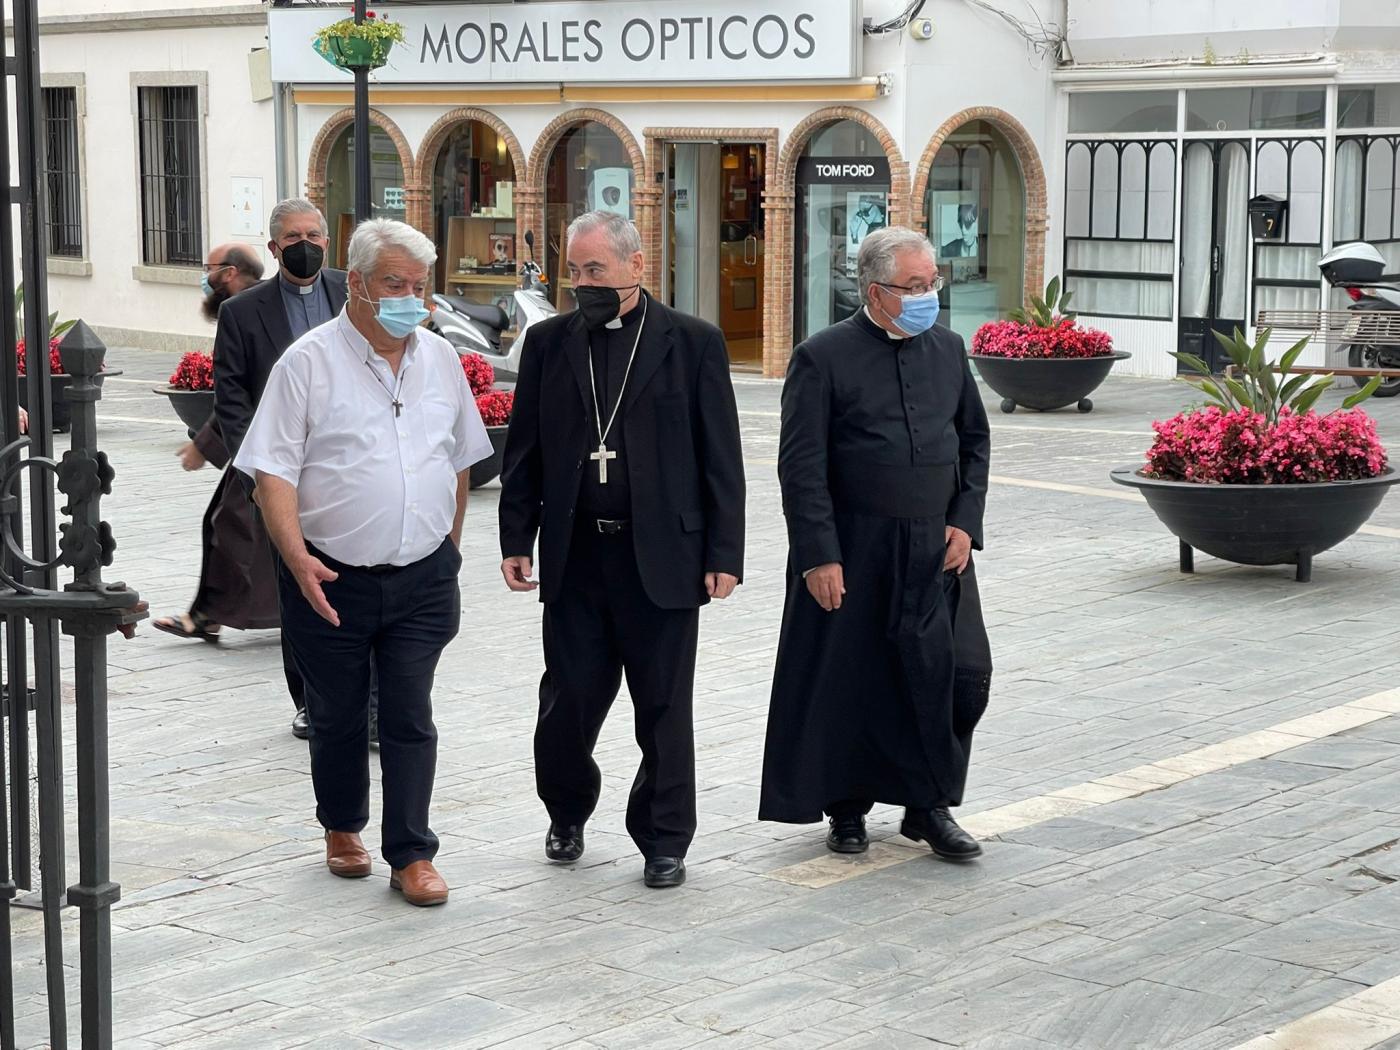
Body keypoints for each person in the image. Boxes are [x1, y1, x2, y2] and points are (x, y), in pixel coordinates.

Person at [235, 218, 492, 907]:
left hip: (422, 577)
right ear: (357, 284)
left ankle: (411, 853)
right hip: (330, 577)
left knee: (411, 713)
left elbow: (460, 459)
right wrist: (295, 559)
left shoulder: (439, 359)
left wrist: (449, 545)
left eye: (420, 286)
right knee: (339, 713)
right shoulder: (308, 363)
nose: (412, 297)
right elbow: (273, 473)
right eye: (395, 284)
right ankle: (342, 825)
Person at [499, 210, 745, 889]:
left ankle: (664, 839)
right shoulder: (550, 343)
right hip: (578, 558)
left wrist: (725, 551)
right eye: (574, 272)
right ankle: (567, 809)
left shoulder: (692, 343)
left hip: (665, 558)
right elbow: (526, 448)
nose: (582, 284)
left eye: (595, 270)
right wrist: (516, 536)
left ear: (637, 267)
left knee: (665, 708)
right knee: (568, 702)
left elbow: (721, 457)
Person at [759, 226, 993, 861]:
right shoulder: (823, 356)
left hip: (933, 546)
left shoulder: (947, 349)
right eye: (912, 287)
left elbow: (974, 442)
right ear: (874, 291)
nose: (927, 296)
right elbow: (801, 467)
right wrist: (818, 554)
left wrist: (964, 523)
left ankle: (929, 806)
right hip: (852, 547)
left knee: (944, 676)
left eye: (931, 284)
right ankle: (847, 808)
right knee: (851, 678)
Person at [214, 198, 349, 740]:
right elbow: (231, 400)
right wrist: (257, 478)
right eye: (293, 237)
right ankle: (309, 700)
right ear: (273, 248)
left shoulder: (352, 292)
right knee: (297, 585)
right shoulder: (243, 313)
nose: (306, 245)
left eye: (314, 234)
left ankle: (363, 699)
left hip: (347, 465)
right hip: (282, 476)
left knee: (356, 582)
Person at [152, 243, 266, 644]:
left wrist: (207, 444)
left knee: (228, 525)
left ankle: (208, 615)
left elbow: (243, 389)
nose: (206, 277)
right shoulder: (245, 308)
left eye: (210, 269)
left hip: (265, 439)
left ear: (231, 272)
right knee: (228, 524)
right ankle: (209, 614)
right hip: (251, 436)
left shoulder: (253, 309)